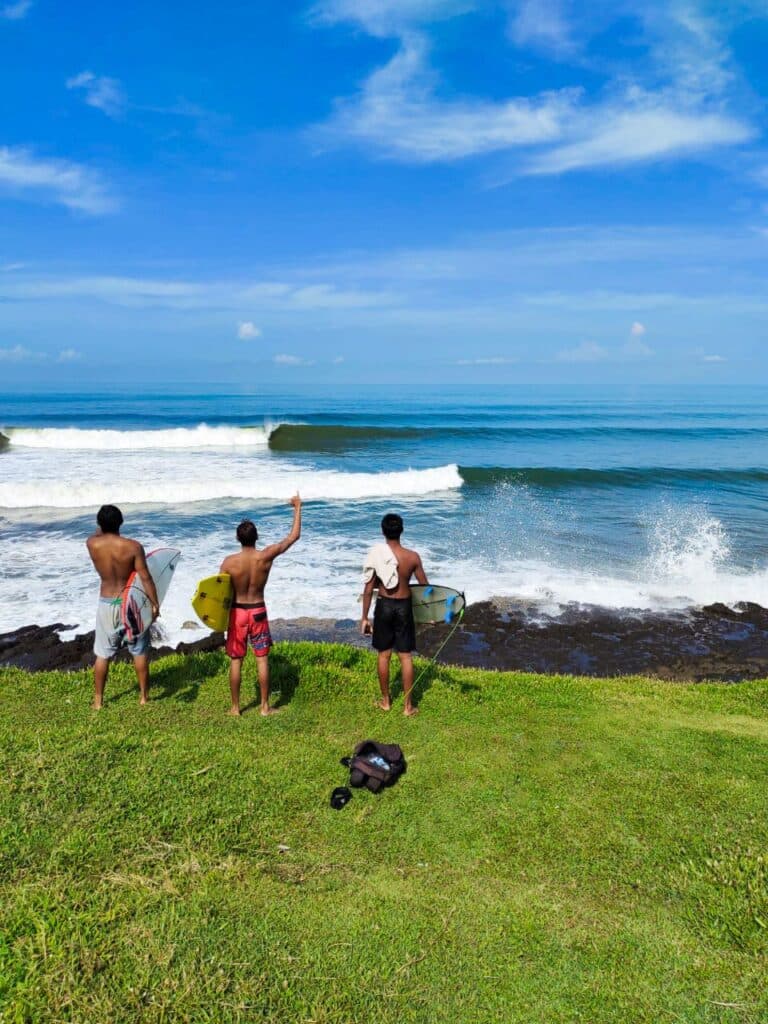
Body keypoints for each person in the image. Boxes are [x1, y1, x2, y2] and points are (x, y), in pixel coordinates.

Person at [220, 494, 302, 716]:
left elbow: (220, 595)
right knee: (261, 659)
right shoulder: (265, 557)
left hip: (237, 613)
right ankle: (265, 707)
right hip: (257, 611)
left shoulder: (228, 563)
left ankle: (236, 708)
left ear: (238, 538)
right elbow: (293, 536)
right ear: (256, 537)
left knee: (236, 660)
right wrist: (297, 507)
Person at [86, 504, 160, 709]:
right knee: (139, 651)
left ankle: (98, 701)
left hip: (107, 603)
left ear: (99, 524)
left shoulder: (92, 543)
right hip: (131, 604)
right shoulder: (133, 547)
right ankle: (144, 697)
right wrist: (155, 605)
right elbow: (145, 578)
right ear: (121, 523)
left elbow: (97, 533)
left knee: (103, 654)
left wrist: (101, 527)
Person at [361, 512, 428, 717]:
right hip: (404, 606)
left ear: (383, 531)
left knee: (384, 655)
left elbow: (368, 587)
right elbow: (425, 587)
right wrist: (430, 613)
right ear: (401, 531)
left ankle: (386, 701)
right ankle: (408, 707)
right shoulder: (412, 557)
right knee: (406, 656)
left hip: (384, 605)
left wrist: (364, 617)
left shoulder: (377, 555)